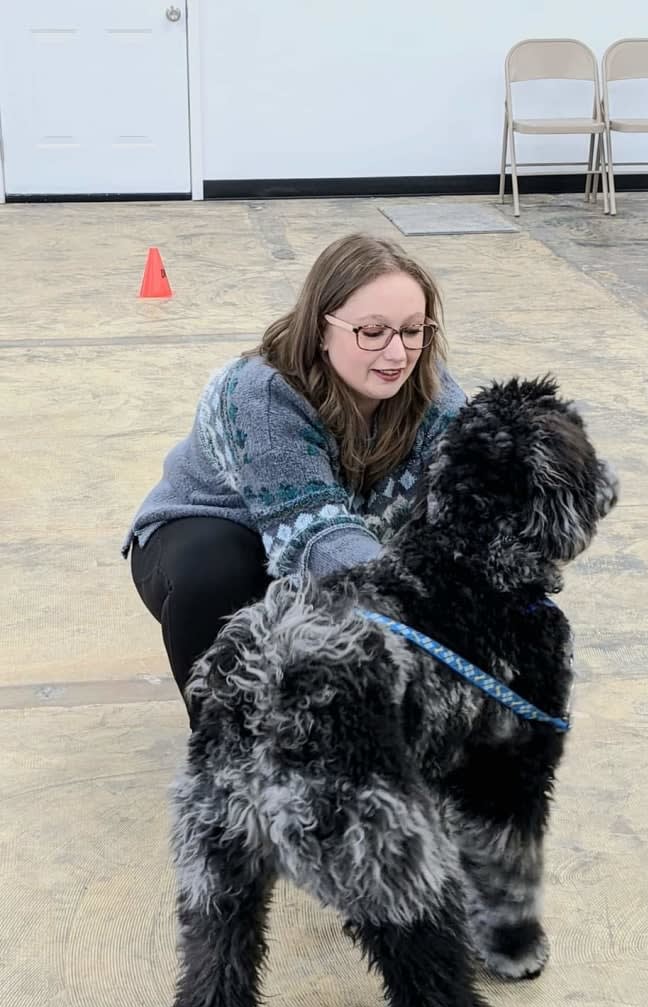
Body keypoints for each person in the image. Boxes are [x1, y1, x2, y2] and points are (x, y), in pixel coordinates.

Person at [123, 232, 468, 726]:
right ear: (321, 326)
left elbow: (469, 507)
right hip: (215, 538)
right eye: (372, 331)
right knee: (219, 571)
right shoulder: (261, 394)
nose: (398, 353)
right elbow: (314, 537)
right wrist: (420, 610)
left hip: (349, 548)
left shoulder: (434, 394)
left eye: (414, 330)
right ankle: (231, 742)